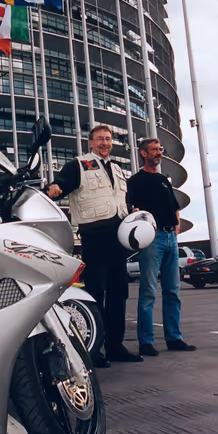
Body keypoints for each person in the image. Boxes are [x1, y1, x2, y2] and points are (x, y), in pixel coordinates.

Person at [47, 125, 143, 365]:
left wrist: (133, 211)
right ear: (90, 142)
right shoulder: (78, 164)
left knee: (118, 293)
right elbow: (62, 183)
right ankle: (94, 348)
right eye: (100, 139)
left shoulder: (118, 170)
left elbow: (122, 199)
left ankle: (115, 346)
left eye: (108, 139)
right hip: (94, 235)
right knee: (96, 292)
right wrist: (55, 188)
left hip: (118, 237)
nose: (105, 143)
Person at [127, 138, 196, 357]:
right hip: (152, 239)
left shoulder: (164, 180)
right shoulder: (135, 181)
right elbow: (130, 208)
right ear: (143, 154)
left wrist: (176, 225)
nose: (158, 153)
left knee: (172, 291)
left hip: (170, 238)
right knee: (148, 291)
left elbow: (174, 206)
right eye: (154, 150)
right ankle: (146, 342)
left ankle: (174, 338)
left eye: (160, 150)